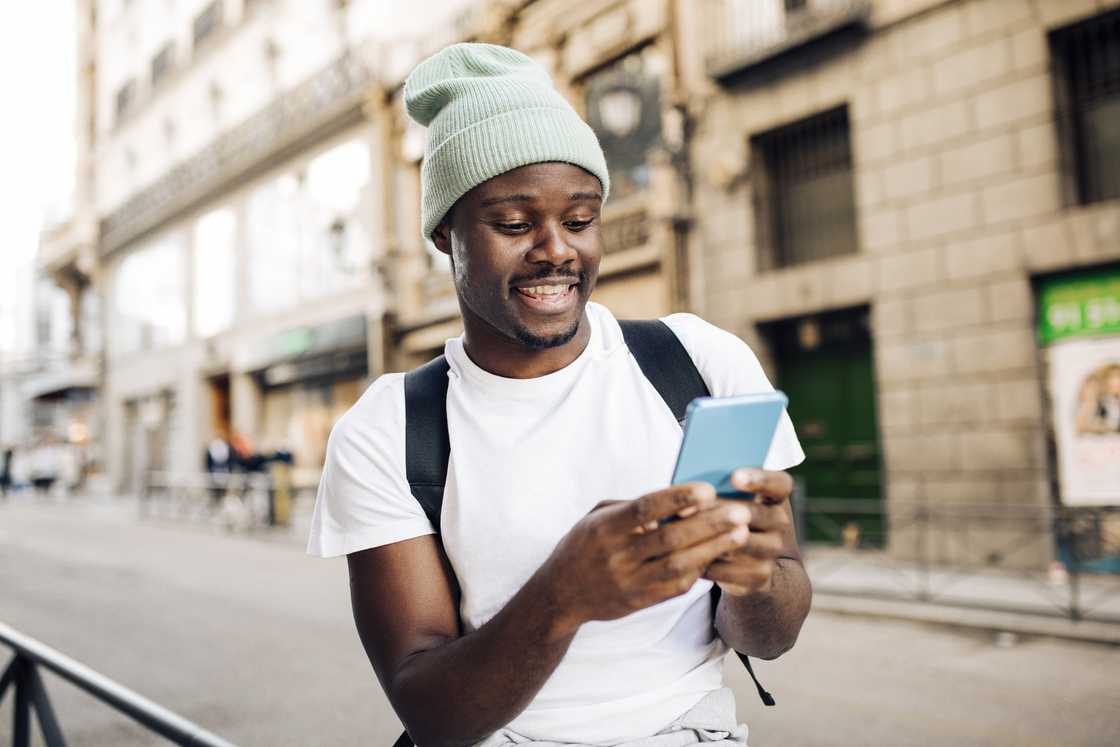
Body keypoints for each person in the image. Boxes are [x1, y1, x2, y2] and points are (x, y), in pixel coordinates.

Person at [308, 44, 810, 746]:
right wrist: (564, 595)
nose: (556, 250)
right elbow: (429, 712)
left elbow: (774, 631)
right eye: (514, 225)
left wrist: (754, 581)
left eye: (579, 220)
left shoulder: (698, 362)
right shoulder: (389, 429)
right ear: (446, 233)